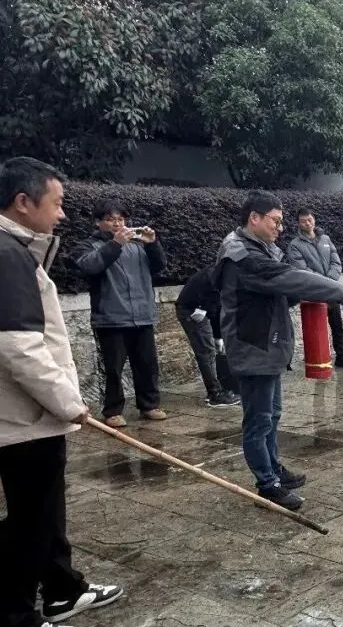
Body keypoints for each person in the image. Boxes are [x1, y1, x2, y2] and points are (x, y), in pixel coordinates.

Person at [0, 156, 124, 627]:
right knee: (30, 521)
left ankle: (62, 589)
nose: (63, 214)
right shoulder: (8, 255)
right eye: (57, 203)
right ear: (23, 202)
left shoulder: (15, 250)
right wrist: (69, 404)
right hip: (24, 417)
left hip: (28, 415)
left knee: (45, 512)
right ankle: (16, 614)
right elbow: (18, 347)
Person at [213, 191, 343, 511]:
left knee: (271, 415)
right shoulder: (243, 256)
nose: (281, 228)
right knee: (258, 421)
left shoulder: (260, 248)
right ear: (254, 218)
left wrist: (313, 292)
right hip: (253, 347)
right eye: (275, 221)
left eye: (282, 222)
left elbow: (285, 289)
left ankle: (274, 469)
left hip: (267, 347)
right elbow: (291, 278)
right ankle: (267, 485)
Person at [70, 200, 168, 428]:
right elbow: (89, 266)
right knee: (113, 368)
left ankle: (149, 405)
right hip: (111, 318)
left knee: (147, 365)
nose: (117, 224)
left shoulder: (137, 245)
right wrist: (115, 244)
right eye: (110, 219)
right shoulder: (88, 245)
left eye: (121, 219)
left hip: (142, 315)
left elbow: (159, 266)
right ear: (97, 222)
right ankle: (113, 410)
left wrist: (153, 244)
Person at [286, 208, 343, 368]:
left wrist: (329, 282)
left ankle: (341, 356)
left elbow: (336, 262)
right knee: (315, 328)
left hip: (331, 291)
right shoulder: (295, 245)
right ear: (298, 224)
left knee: (337, 325)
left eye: (309, 219)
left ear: (314, 219)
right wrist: (323, 283)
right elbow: (302, 270)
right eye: (303, 221)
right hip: (313, 293)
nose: (307, 223)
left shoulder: (325, 239)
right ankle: (315, 359)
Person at [175, 265, 240, 408]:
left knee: (209, 350)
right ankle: (214, 394)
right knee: (206, 351)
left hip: (198, 308)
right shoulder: (215, 277)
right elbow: (214, 304)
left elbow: (218, 306)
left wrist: (218, 336)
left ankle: (218, 389)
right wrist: (202, 309)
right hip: (192, 311)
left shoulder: (222, 274)